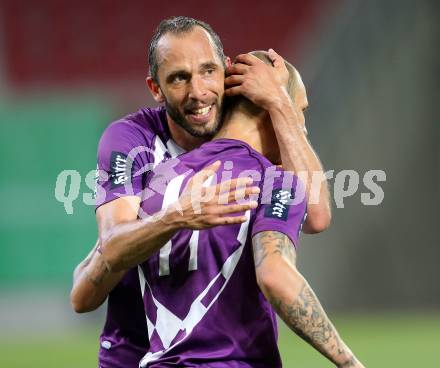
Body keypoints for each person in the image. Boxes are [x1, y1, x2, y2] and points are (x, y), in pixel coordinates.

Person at [70, 17, 331, 368]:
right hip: (135, 354)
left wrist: (278, 102)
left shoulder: (249, 148)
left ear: (226, 72)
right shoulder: (133, 141)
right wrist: (177, 215)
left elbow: (315, 215)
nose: (198, 92)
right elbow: (105, 256)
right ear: (156, 88)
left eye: (208, 71)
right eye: (179, 78)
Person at [135, 51, 363, 367]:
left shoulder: (160, 179)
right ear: (269, 105)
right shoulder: (271, 180)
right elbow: (276, 275)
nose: (303, 129)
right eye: (301, 111)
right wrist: (349, 362)